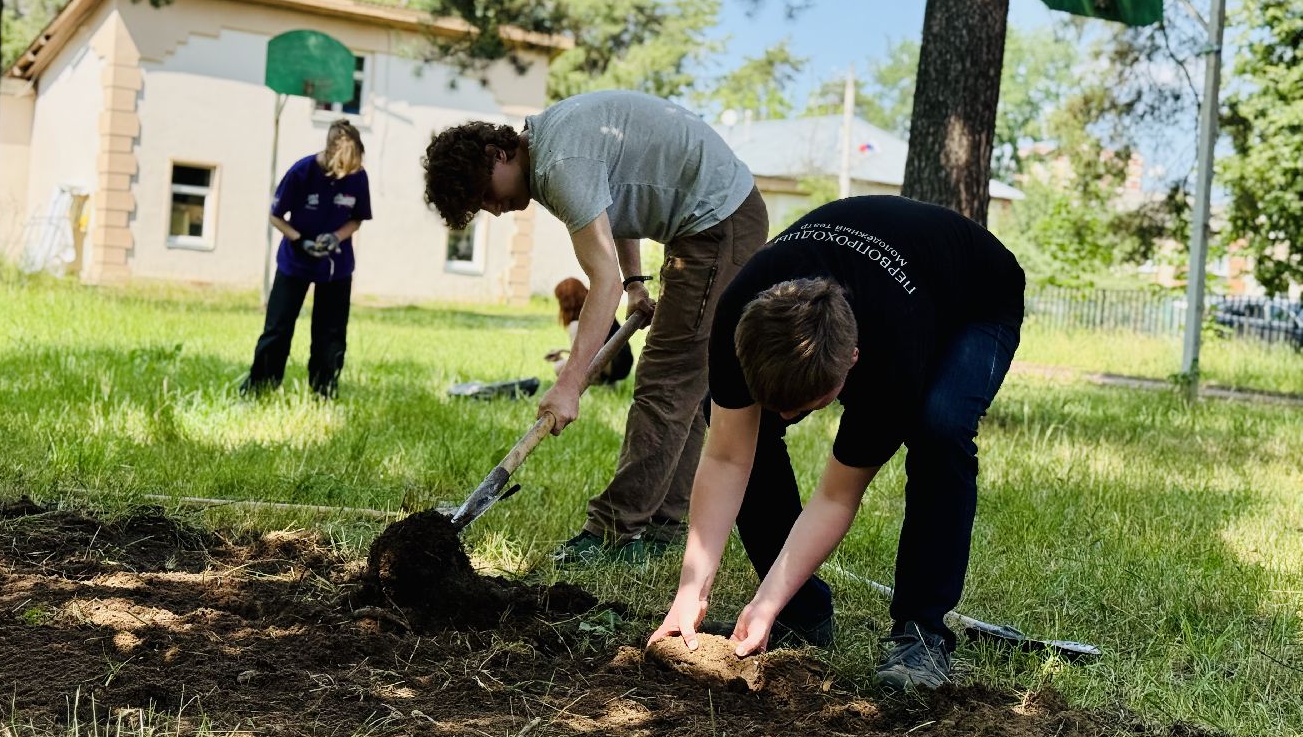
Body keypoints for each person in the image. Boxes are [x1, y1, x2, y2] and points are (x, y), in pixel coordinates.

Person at [647, 195, 1026, 690]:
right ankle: (802, 615)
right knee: (732, 424)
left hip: (977, 296)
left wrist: (764, 600)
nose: (786, 418)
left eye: (805, 405)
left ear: (852, 360)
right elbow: (726, 457)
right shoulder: (738, 317)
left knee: (940, 428)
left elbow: (836, 495)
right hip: (889, 270)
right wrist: (691, 589)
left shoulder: (891, 360)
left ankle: (921, 630)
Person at [422, 89, 769, 562]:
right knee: (682, 383)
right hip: (707, 223)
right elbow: (617, 208)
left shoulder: (560, 163)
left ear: (498, 153)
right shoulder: (549, 145)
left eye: (486, 193)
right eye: (480, 206)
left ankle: (615, 533)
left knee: (665, 383)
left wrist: (570, 383)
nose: (493, 207)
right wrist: (635, 285)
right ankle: (662, 525)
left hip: (718, 222)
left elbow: (597, 279)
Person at [242, 120, 371, 398]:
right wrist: (300, 239)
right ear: (330, 154)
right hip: (295, 262)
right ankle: (261, 387)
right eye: (343, 167)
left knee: (331, 333)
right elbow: (275, 216)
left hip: (336, 266)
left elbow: (357, 219)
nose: (347, 173)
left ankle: (324, 390)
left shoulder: (359, 176)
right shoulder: (302, 172)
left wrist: (336, 236)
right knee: (278, 328)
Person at [546, 277, 634, 386]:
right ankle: (607, 384)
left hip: (609, 365)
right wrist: (563, 351)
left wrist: (559, 359)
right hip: (624, 363)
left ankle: (585, 387)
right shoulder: (599, 308)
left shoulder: (576, 324)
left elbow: (580, 358)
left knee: (560, 367)